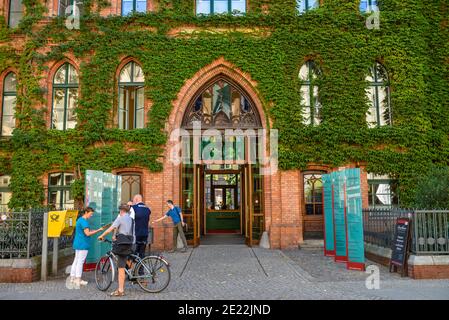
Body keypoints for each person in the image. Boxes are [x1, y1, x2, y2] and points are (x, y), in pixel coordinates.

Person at [98, 204, 134, 297]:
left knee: (120, 267)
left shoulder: (120, 218)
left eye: (119, 211)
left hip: (122, 244)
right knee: (124, 261)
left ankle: (120, 290)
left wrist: (102, 235)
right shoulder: (131, 219)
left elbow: (111, 229)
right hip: (129, 242)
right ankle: (131, 268)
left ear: (121, 211)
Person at [70, 207, 104, 287]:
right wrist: (98, 230)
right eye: (90, 214)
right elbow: (87, 234)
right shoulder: (84, 222)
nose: (91, 215)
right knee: (80, 261)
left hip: (78, 243)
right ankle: (78, 279)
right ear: (86, 212)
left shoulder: (79, 220)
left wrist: (92, 230)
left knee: (76, 260)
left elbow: (86, 232)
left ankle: (72, 278)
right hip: (83, 244)